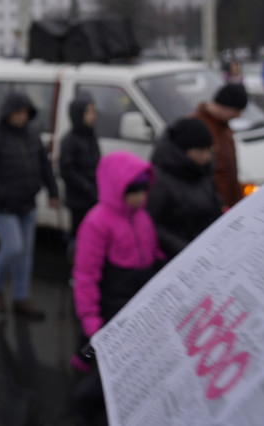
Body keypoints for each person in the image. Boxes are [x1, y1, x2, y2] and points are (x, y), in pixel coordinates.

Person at [71, 151, 163, 426]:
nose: (140, 198)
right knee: (103, 360)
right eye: (133, 192)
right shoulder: (98, 222)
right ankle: (84, 405)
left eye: (143, 191)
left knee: (112, 359)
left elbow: (151, 251)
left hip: (134, 303)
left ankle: (84, 365)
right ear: (116, 188)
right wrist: (90, 317)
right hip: (110, 304)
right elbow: (85, 275)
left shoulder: (141, 217)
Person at [0, 92, 60, 321]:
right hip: (2, 206)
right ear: (8, 113)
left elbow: (44, 165)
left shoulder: (32, 135)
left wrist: (53, 192)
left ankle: (21, 297)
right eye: (18, 113)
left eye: (25, 113)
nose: (22, 117)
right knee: (13, 247)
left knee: (25, 254)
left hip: (27, 204)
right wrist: (3, 194)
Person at [146, 117, 223, 258]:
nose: (206, 157)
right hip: (178, 259)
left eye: (209, 150)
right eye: (200, 151)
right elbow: (152, 224)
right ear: (182, 151)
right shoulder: (160, 180)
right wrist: (186, 250)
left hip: (207, 252)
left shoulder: (202, 172)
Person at [193, 83, 248, 210]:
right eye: (236, 110)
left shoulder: (224, 127)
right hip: (211, 210)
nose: (238, 116)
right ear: (225, 105)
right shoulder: (196, 127)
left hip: (228, 209)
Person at [59, 98, 101, 252]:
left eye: (93, 111)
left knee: (93, 237)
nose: (93, 115)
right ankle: (76, 269)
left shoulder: (91, 136)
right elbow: (67, 171)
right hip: (78, 201)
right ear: (78, 114)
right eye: (88, 112)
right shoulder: (69, 140)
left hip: (94, 198)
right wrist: (89, 187)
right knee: (78, 237)